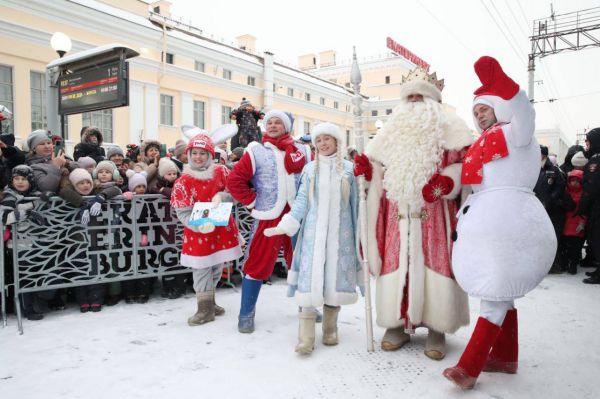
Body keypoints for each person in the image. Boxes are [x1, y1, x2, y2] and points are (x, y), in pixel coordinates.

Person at [443, 56, 556, 389]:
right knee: (497, 289)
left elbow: (525, 111)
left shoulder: (517, 133)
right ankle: (504, 357)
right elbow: (470, 182)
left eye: (485, 107)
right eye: (475, 109)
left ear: (500, 106)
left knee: (494, 290)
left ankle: (469, 366)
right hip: (488, 221)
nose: (479, 113)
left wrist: (506, 86)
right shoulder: (480, 143)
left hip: (511, 222)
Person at [354, 67, 472, 360]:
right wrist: (367, 172)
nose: (415, 101)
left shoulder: (451, 128)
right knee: (395, 264)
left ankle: (437, 327)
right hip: (397, 216)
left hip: (435, 215)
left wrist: (448, 180)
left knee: (437, 266)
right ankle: (396, 325)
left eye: (421, 96)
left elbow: (462, 165)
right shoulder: (390, 132)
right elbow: (377, 173)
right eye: (410, 96)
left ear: (433, 100)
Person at [264, 123, 362, 354]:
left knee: (333, 279)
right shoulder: (310, 169)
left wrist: (361, 235)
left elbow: (357, 205)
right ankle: (305, 337)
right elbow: (301, 202)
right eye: (319, 140)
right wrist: (286, 224)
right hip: (312, 236)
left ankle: (330, 329)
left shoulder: (348, 170)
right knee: (309, 280)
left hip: (341, 236)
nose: (323, 143)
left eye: (328, 139)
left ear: (337, 142)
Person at [227, 110, 311, 333]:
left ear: (287, 127)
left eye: (278, 123)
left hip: (297, 215)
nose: (273, 125)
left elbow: (313, 180)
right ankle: (246, 313)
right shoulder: (256, 151)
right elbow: (235, 181)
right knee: (256, 264)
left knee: (303, 262)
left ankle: (307, 307)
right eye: (270, 122)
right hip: (268, 217)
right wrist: (253, 202)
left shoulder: (303, 150)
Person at [171, 133, 243, 325]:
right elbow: (182, 211)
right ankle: (204, 310)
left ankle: (210, 303)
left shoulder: (222, 172)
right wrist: (200, 225)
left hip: (220, 229)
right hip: (198, 232)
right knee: (201, 268)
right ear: (188, 154)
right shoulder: (183, 181)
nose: (198, 157)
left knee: (217, 265)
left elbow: (236, 193)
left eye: (203, 153)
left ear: (210, 154)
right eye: (194, 152)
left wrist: (223, 197)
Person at [59, 168, 121, 312]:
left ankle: (96, 299)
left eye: (88, 182)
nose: (86, 185)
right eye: (81, 183)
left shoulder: (96, 193)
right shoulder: (70, 195)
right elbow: (63, 192)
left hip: (95, 242)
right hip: (77, 244)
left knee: (96, 271)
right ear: (74, 185)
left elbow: (115, 189)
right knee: (80, 272)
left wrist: (101, 198)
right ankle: (83, 301)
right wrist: (82, 204)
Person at [149, 157, 186, 299]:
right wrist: (161, 189)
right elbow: (151, 193)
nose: (172, 176)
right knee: (167, 256)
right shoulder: (156, 185)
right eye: (168, 174)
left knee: (178, 255)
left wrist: (164, 190)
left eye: (174, 173)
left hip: (177, 223)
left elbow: (178, 194)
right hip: (163, 225)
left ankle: (179, 286)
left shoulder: (180, 184)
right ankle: (167, 286)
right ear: (162, 174)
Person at [534, 145, 567, 273]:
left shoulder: (553, 170)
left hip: (552, 211)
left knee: (552, 238)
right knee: (539, 238)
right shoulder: (532, 168)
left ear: (544, 155)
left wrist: (548, 201)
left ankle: (555, 265)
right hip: (537, 210)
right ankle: (542, 264)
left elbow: (559, 188)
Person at [578, 128, 600, 284]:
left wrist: (583, 208)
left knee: (596, 238)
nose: (586, 144)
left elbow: (591, 188)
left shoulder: (595, 161)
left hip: (597, 207)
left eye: (588, 141)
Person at [559, 170, 586, 275]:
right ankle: (564, 264)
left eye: (577, 181)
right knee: (564, 246)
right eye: (572, 180)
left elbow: (585, 211)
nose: (574, 183)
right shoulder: (566, 191)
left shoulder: (584, 193)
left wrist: (582, 223)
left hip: (576, 223)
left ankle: (573, 265)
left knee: (575, 248)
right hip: (565, 222)